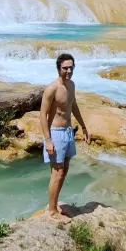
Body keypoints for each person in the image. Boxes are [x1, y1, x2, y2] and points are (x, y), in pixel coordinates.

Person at [39, 53, 88, 222]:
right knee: (57, 173)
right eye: (65, 68)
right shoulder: (52, 88)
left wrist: (83, 126)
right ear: (58, 68)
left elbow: (73, 106)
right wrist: (48, 140)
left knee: (64, 170)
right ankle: (52, 211)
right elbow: (42, 115)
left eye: (71, 67)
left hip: (68, 132)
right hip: (56, 133)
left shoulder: (71, 85)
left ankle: (54, 204)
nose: (68, 71)